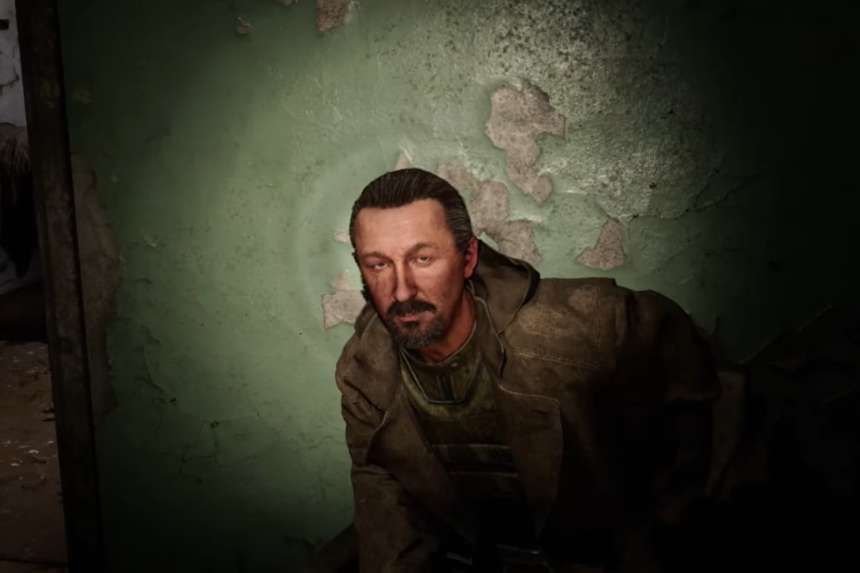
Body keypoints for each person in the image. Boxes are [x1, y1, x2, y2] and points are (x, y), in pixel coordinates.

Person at [334, 168, 723, 573]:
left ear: (468, 257)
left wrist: (669, 527)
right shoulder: (363, 375)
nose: (402, 290)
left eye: (423, 258)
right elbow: (387, 513)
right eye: (378, 265)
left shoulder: (584, 325)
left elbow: (696, 390)